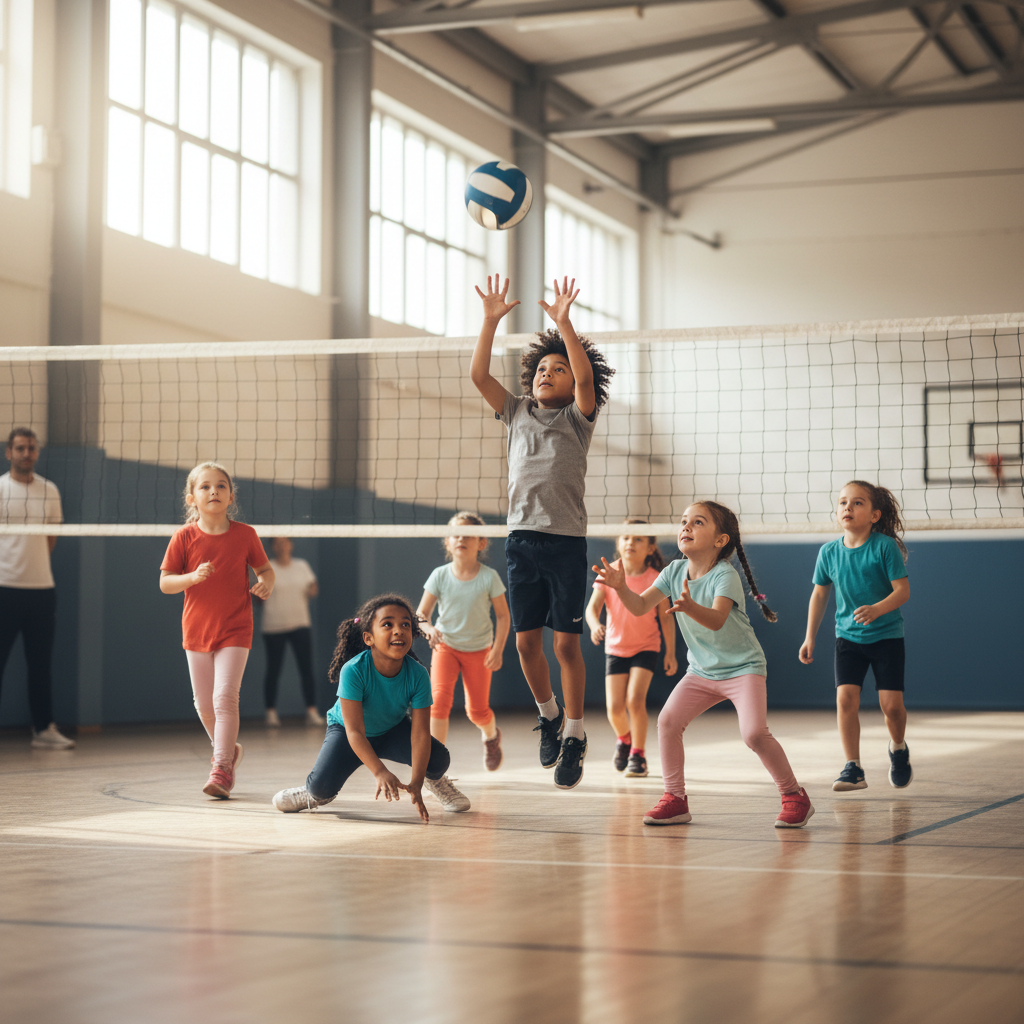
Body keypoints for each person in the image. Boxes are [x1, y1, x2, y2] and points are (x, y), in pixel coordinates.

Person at [471, 274, 614, 789]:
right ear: (529, 380)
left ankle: (574, 733)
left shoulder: (579, 418)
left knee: (565, 647)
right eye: (541, 370)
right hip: (520, 541)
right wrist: (489, 323)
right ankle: (550, 714)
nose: (548, 375)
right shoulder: (515, 412)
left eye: (558, 369)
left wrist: (565, 326)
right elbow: (478, 374)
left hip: (564, 543)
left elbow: (581, 378)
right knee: (527, 645)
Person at [595, 501, 813, 829]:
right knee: (668, 722)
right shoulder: (672, 573)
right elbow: (639, 607)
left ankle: (794, 795)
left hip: (743, 668)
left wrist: (689, 607)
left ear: (720, 540)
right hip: (701, 671)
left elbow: (716, 619)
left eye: (698, 522)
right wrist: (621, 587)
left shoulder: (725, 575)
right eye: (684, 521)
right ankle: (675, 799)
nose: (686, 527)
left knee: (754, 734)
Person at [271, 593, 470, 817]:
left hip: (392, 729)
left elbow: (421, 734)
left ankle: (436, 784)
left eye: (405, 624)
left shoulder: (418, 674)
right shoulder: (354, 670)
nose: (398, 630)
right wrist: (380, 771)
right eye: (387, 624)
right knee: (321, 787)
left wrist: (417, 780)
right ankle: (312, 793)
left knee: (439, 758)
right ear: (369, 638)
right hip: (348, 733)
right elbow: (354, 731)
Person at [159, 462, 274, 799]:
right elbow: (165, 583)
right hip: (197, 629)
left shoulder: (245, 534)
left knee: (225, 697)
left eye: (221, 486)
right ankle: (229, 749)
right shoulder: (183, 537)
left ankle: (222, 767)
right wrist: (191, 578)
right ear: (192, 498)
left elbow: (265, 569)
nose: (214, 491)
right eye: (205, 486)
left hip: (236, 627)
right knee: (204, 705)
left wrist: (266, 582)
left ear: (231, 496)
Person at [799, 480, 912, 791]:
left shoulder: (884, 547)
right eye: (842, 502)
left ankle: (898, 748)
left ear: (875, 515)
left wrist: (877, 609)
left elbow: (903, 592)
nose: (847, 507)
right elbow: (819, 596)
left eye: (857, 502)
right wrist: (810, 637)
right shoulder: (829, 552)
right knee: (846, 699)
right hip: (847, 638)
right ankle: (853, 767)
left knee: (891, 706)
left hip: (887, 635)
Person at [416, 511, 511, 770]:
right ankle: (435, 767)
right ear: (447, 542)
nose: (461, 538)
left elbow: (503, 617)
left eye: (468, 534)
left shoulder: (489, 577)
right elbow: (420, 615)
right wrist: (428, 629)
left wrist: (498, 649)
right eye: (455, 534)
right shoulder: (440, 575)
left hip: (480, 649)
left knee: (477, 712)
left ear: (481, 543)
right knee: (438, 703)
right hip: (445, 646)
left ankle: (491, 737)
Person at [0, 428, 75, 749]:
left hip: (42, 590)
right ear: (9, 452)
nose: (26, 453)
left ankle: (44, 729)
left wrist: (33, 567)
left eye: (31, 448)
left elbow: (51, 539)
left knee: (40, 664)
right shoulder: (0, 488)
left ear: (37, 452)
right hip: (4, 588)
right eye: (20, 448)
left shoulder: (50, 490)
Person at [586, 519, 676, 778]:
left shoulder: (655, 578)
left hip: (646, 646)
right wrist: (594, 625)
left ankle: (638, 753)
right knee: (614, 708)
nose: (630, 543)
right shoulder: (611, 572)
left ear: (650, 548)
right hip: (615, 647)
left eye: (638, 539)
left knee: (634, 701)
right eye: (625, 537)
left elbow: (666, 617)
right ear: (618, 543)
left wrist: (670, 652)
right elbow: (592, 609)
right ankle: (624, 739)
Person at [260, 536, 324, 728]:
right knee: (273, 670)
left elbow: (313, 587)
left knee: (306, 669)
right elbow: (258, 596)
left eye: (285, 541)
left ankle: (311, 711)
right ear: (272, 547)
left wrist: (313, 589)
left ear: (291, 544)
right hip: (273, 626)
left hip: (300, 624)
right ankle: (271, 712)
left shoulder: (302, 566)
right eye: (277, 543)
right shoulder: (266, 567)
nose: (282, 546)